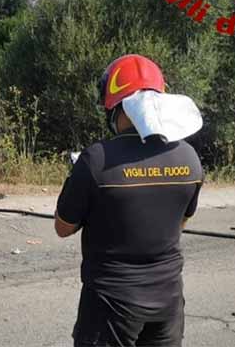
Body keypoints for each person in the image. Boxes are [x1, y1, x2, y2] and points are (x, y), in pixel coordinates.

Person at [54, 54, 204, 347]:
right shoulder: (190, 157)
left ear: (116, 106)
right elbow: (180, 222)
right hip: (168, 302)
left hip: (110, 304)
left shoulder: (96, 159)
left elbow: (63, 227)